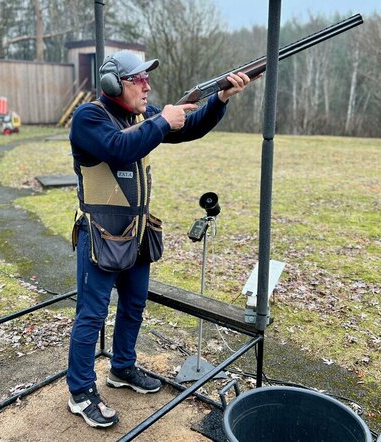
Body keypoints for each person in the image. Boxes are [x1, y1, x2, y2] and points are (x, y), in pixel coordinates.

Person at [67, 50, 252, 428]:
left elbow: (191, 127)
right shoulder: (90, 117)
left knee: (134, 306)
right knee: (91, 316)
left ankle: (122, 368)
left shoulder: (143, 116)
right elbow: (121, 148)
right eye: (138, 79)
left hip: (137, 234)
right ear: (113, 84)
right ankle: (81, 391)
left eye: (146, 78)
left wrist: (219, 99)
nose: (147, 84)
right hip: (100, 233)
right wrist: (163, 120)